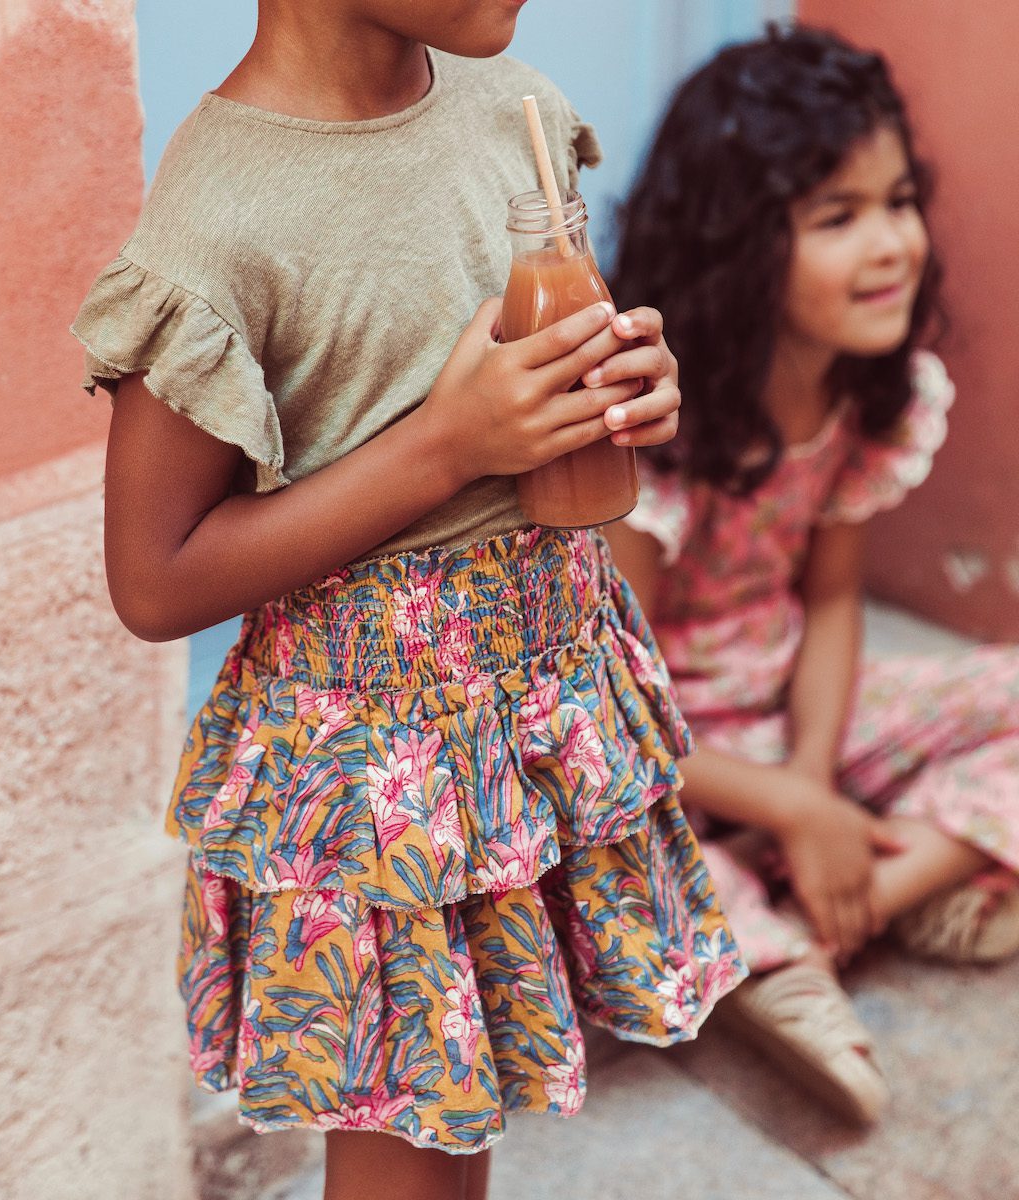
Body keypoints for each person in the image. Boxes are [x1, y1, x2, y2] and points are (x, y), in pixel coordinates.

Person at [70, 3, 744, 1196]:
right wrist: (446, 447)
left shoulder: (516, 112)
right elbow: (155, 576)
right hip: (380, 771)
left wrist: (628, 387)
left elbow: (541, 379)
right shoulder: (226, 213)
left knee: (469, 1117)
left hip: (535, 708)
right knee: (410, 1160)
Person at [605, 24, 1019, 1127]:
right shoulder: (652, 435)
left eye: (897, 200)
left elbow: (830, 598)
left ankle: (862, 895)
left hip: (786, 709)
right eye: (838, 218)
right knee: (594, 858)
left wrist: (818, 780)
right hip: (659, 743)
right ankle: (782, 959)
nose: (891, 244)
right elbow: (604, 713)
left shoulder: (864, 396)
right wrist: (784, 800)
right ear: (738, 246)